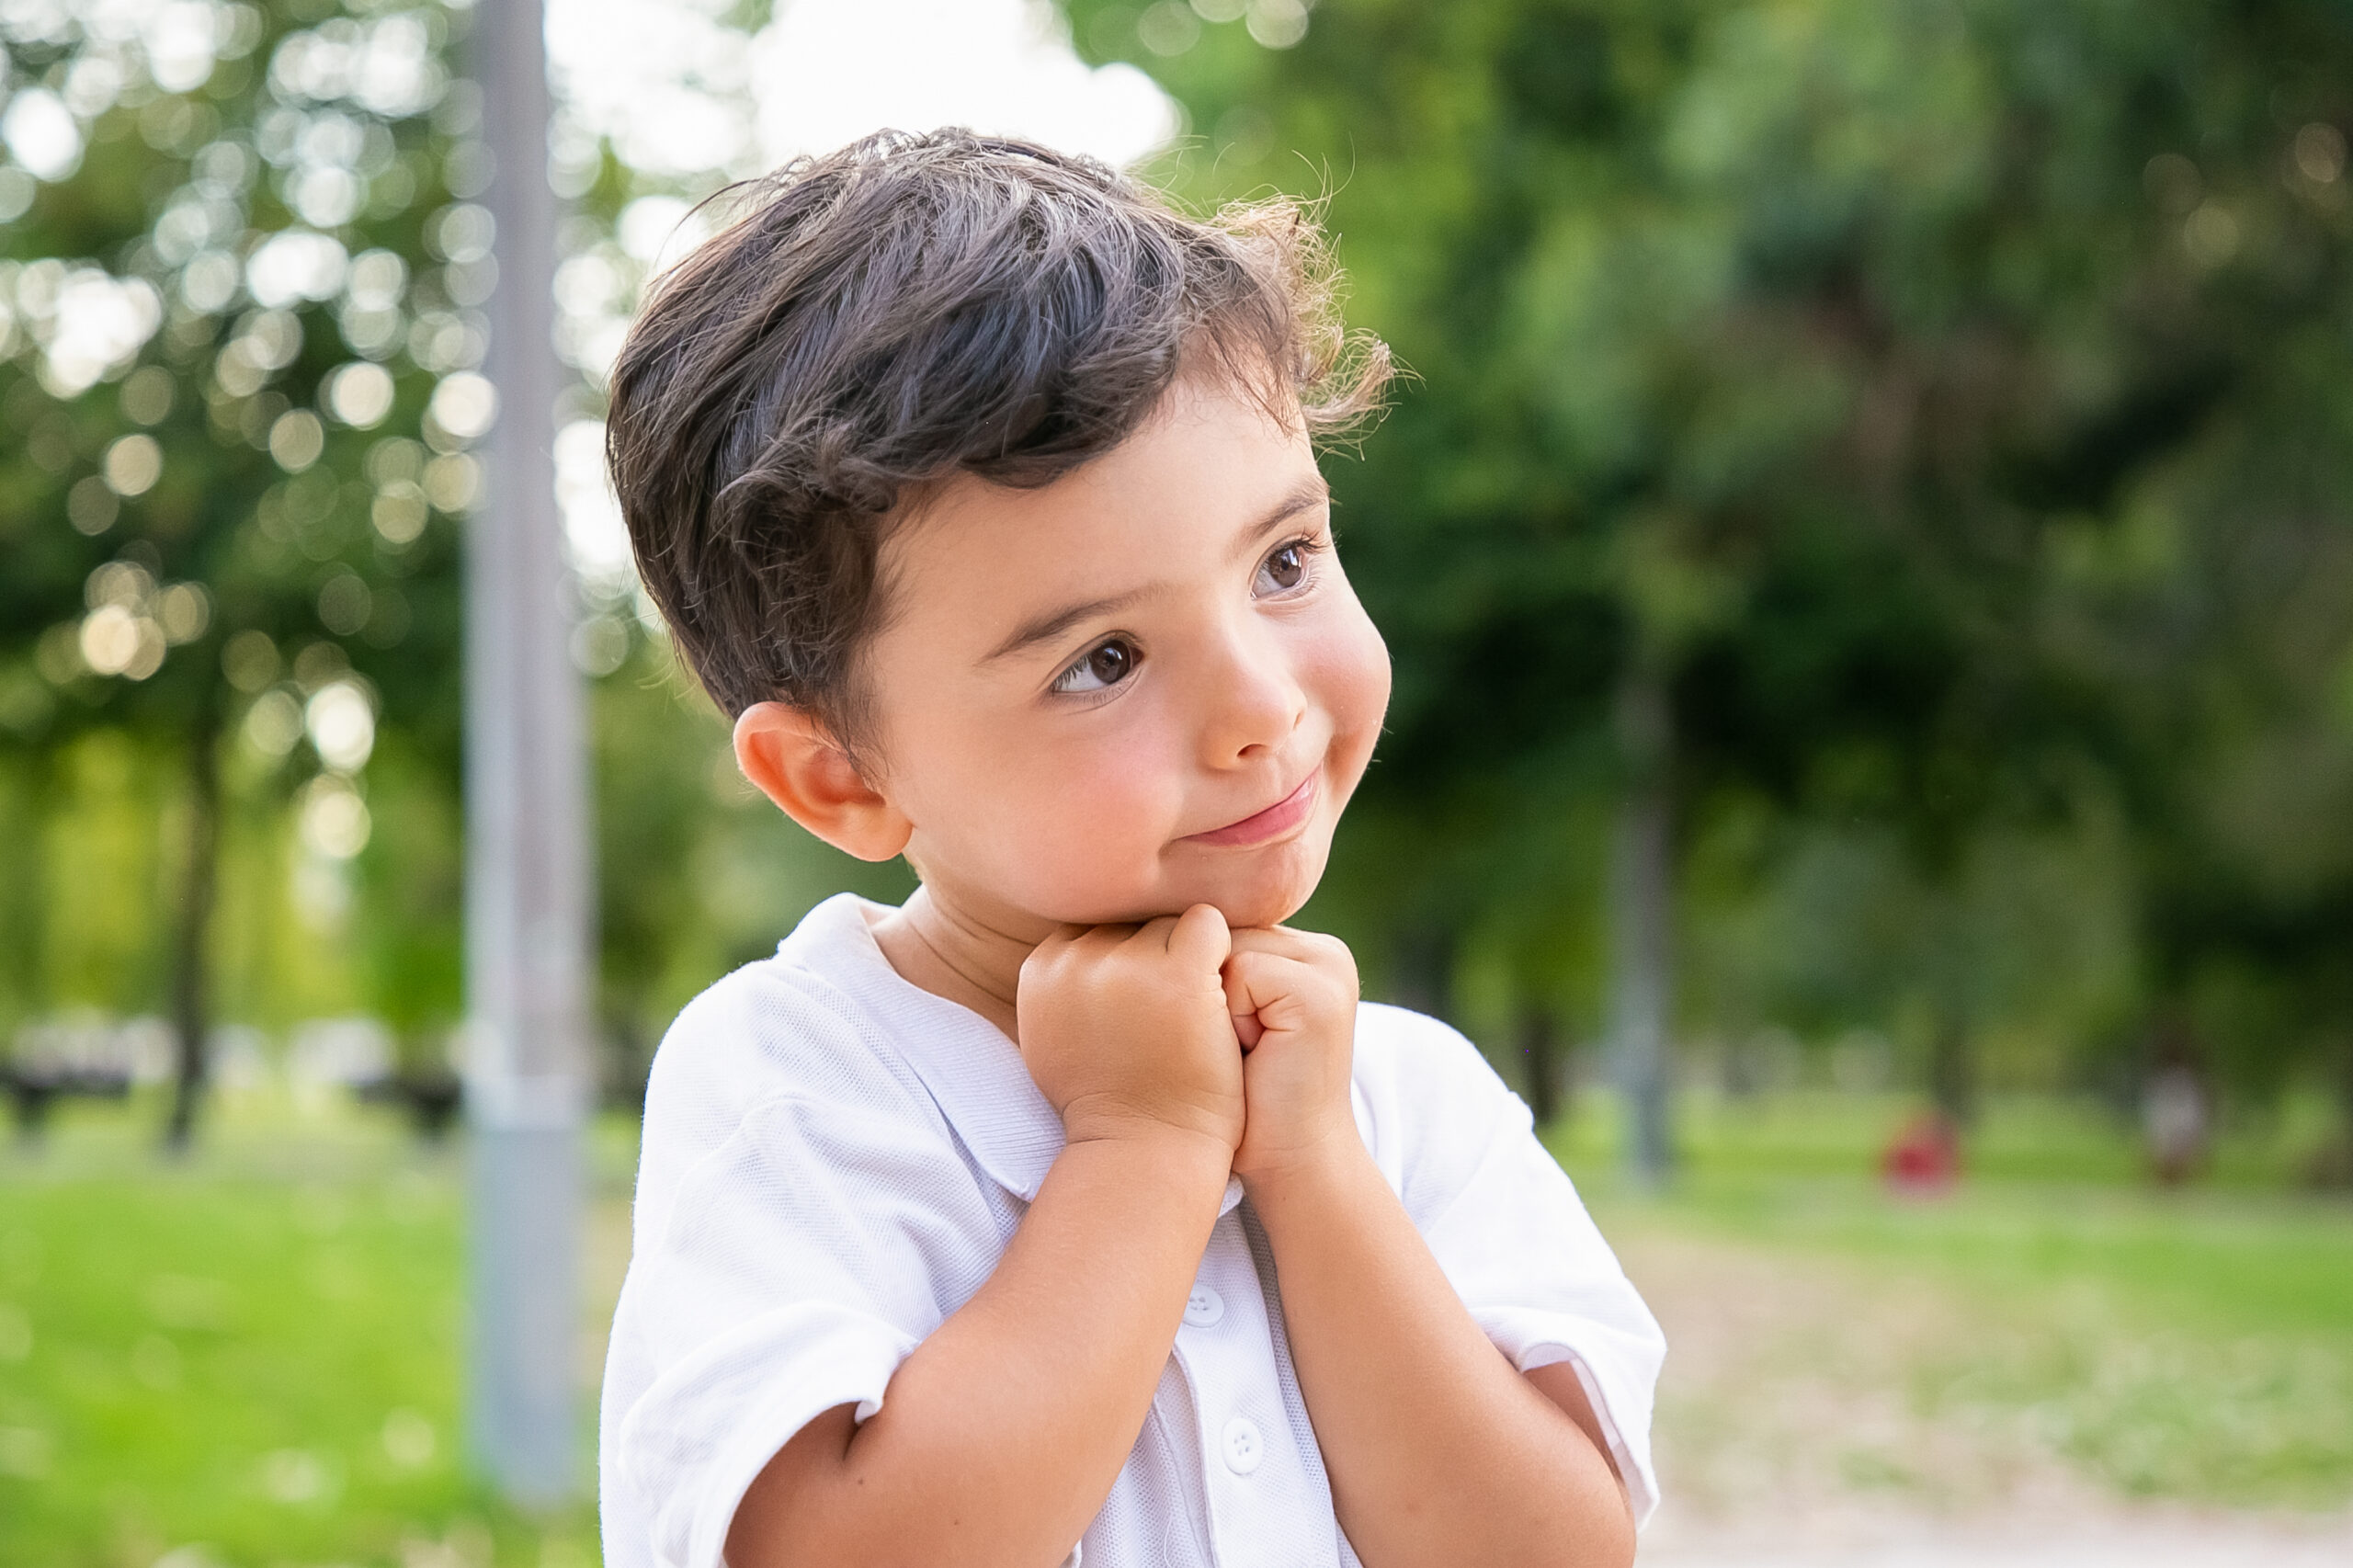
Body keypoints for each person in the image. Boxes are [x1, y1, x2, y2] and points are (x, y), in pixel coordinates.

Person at [596, 129, 1665, 1568]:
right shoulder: (796, 1091)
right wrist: (1146, 1147)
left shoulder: (1409, 1105)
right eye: (1103, 658)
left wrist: (1315, 1169)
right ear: (837, 775)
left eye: (1285, 561)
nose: (1260, 707)